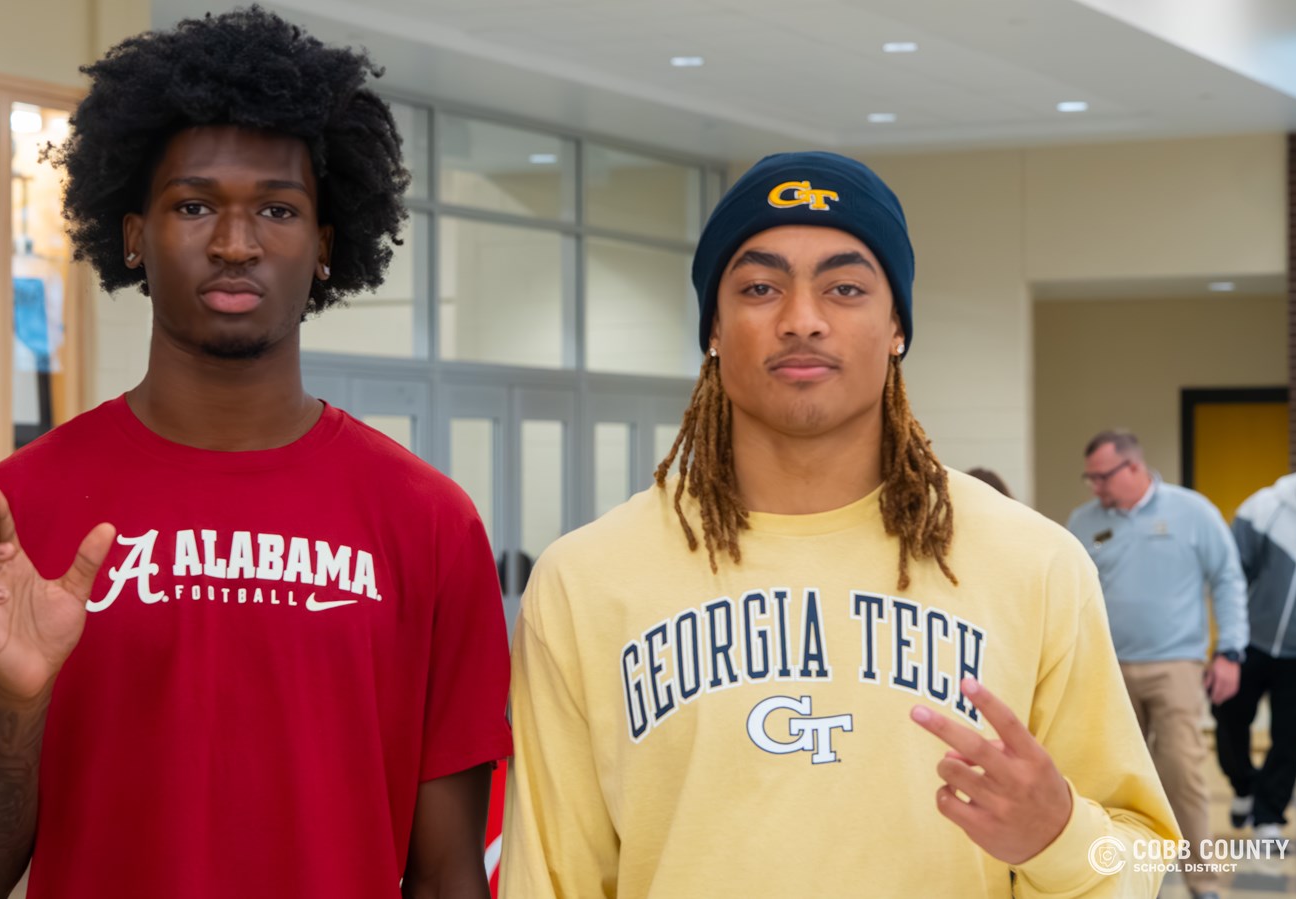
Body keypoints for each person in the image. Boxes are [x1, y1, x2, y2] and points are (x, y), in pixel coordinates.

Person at [0, 9, 511, 897]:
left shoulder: (429, 522)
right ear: (132, 235)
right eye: (193, 205)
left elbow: (449, 876)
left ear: (325, 247)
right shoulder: (14, 512)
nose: (234, 243)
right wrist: (15, 705)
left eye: (277, 209)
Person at [502, 151, 1176, 897]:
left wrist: (1059, 839)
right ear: (714, 327)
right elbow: (549, 878)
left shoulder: (1035, 562)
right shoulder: (585, 580)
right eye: (760, 288)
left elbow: (1143, 856)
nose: (802, 320)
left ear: (897, 326)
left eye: (845, 288)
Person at [1067, 429, 1248, 899]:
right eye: (1090, 479)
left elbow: (1227, 578)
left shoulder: (1193, 512)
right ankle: (1114, 880)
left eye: (1102, 477)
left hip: (1176, 667)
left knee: (1182, 774)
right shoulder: (1083, 522)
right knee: (1110, 781)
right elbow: (1069, 591)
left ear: (1133, 467)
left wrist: (1230, 650)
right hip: (1106, 670)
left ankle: (1202, 883)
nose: (1095, 487)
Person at [1216, 468, 1296, 844]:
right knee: (1228, 718)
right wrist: (1228, 641)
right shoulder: (1265, 507)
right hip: (1249, 642)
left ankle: (1269, 817)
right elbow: (1230, 575)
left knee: (1290, 737)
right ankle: (1244, 785)